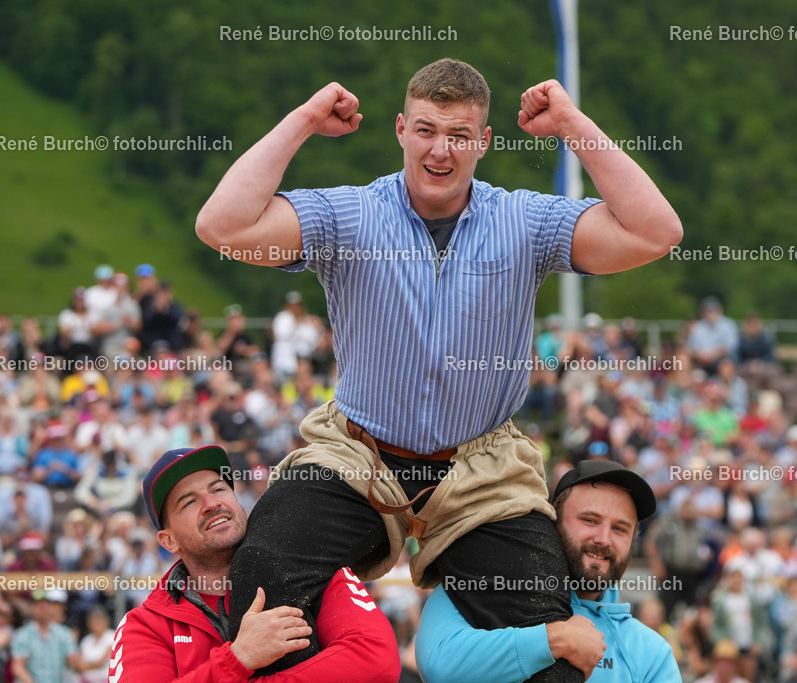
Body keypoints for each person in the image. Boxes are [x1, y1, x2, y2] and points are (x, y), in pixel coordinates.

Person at [195, 57, 681, 678]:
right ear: (400, 129)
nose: (440, 150)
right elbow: (222, 226)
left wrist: (571, 124)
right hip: (358, 454)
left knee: (554, 630)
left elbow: (655, 232)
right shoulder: (349, 215)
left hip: (482, 467)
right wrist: (304, 120)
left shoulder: (525, 221)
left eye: (458, 135)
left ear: (482, 142)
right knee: (264, 569)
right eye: (426, 130)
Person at [108, 445, 399, 682]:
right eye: (189, 502)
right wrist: (239, 658)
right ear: (168, 540)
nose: (211, 503)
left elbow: (376, 662)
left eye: (219, 489)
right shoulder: (144, 625)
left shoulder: (310, 561)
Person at [414, 460, 679, 682]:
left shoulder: (652, 654)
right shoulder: (480, 582)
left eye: (620, 529)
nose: (603, 539)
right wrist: (556, 640)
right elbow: (438, 664)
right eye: (590, 520)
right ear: (552, 523)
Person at [10, 589, 78, 683]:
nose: (43, 608)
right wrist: (28, 680)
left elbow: (72, 662)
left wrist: (75, 661)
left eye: (46, 605)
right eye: (39, 605)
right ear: (32, 607)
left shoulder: (64, 633)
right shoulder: (23, 634)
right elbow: (18, 666)